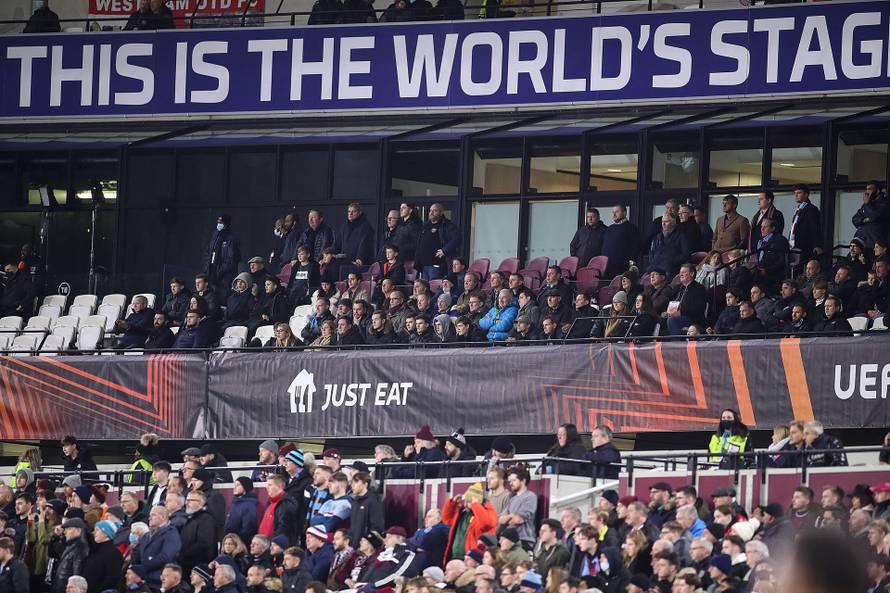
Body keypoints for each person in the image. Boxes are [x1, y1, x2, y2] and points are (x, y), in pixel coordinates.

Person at [414, 203, 462, 281]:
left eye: (435, 211)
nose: (431, 213)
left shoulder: (447, 225)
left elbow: (457, 239)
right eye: (430, 210)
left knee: (435, 286)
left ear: (441, 212)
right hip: (424, 265)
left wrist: (444, 250)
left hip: (437, 264)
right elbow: (420, 243)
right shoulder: (426, 225)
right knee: (424, 287)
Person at [499, 468, 537, 551]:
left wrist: (509, 517)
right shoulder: (512, 499)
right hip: (509, 540)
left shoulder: (530, 497)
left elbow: (518, 520)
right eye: (510, 481)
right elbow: (501, 520)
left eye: (514, 480)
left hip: (524, 540)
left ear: (523, 481)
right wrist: (511, 516)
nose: (511, 483)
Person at [788, 185, 823, 274]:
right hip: (794, 245)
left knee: (802, 270)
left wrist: (816, 245)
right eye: (795, 193)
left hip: (805, 246)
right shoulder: (799, 209)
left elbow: (815, 228)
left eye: (799, 193)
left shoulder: (811, 209)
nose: (796, 195)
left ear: (806, 195)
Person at [665, 264, 708, 336]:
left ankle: (677, 342)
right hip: (675, 315)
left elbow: (699, 308)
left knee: (672, 321)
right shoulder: (678, 288)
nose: (680, 275)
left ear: (692, 274)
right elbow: (670, 301)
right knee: (661, 320)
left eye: (683, 272)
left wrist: (681, 312)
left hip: (692, 318)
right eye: (680, 273)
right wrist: (666, 311)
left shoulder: (699, 288)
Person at [203, 214, 241, 294]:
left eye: (221, 223)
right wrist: (207, 267)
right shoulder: (215, 235)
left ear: (226, 224)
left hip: (224, 276)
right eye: (218, 222)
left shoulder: (231, 239)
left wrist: (220, 271)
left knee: (221, 294)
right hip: (211, 272)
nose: (218, 224)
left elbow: (231, 259)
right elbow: (208, 252)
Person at [601, 204, 641, 278]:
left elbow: (636, 247)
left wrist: (632, 262)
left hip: (623, 268)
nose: (614, 214)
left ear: (624, 213)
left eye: (617, 212)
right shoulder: (610, 228)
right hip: (607, 267)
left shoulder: (631, 228)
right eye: (613, 212)